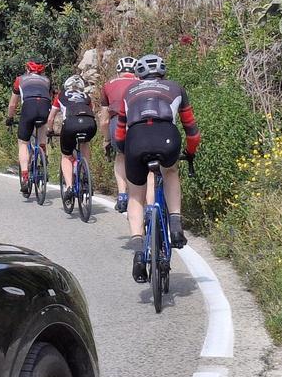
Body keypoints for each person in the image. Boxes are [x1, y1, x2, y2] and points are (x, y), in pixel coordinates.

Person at [115, 54, 201, 283]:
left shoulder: (129, 92)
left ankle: (137, 246)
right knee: (170, 171)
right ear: (163, 73)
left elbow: (120, 133)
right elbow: (192, 130)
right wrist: (190, 153)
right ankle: (175, 222)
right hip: (166, 137)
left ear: (139, 74)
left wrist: (127, 152)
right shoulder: (176, 88)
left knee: (136, 194)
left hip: (136, 139)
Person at [5, 60, 53, 197]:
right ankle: (43, 154)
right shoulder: (46, 80)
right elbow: (49, 96)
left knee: (23, 142)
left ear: (27, 70)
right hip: (44, 107)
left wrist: (10, 118)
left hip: (28, 108)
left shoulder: (20, 80)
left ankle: (25, 177)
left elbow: (13, 104)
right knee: (42, 127)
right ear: (41, 71)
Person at [47, 74, 97, 199]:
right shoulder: (86, 96)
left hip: (70, 124)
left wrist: (50, 130)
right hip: (89, 124)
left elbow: (51, 117)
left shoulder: (61, 95)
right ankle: (85, 172)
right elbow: (92, 112)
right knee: (85, 143)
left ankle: (69, 187)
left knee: (66, 156)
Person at [99, 56, 139, 213]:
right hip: (138, 122)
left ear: (118, 72)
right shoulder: (141, 83)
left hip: (117, 123)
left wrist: (106, 140)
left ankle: (122, 195)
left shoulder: (108, 85)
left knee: (120, 156)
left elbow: (103, 121)